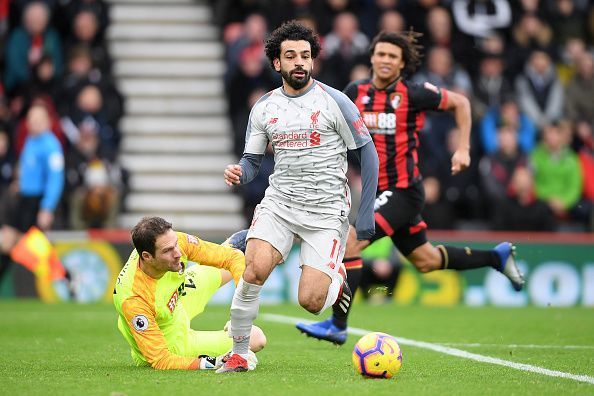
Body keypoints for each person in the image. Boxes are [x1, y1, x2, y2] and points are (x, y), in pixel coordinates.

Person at [225, 30, 525, 346]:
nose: (385, 60)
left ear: (402, 63)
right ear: (371, 58)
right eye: (380, 54)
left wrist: (463, 148)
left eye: (392, 56)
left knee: (351, 243)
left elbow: (461, 103)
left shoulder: (414, 93)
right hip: (374, 188)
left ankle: (338, 324)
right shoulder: (356, 92)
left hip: (403, 189)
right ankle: (496, 257)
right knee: (426, 261)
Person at [219, 20, 379, 372]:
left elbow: (368, 154)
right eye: (290, 56)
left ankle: (336, 280)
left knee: (310, 302)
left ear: (313, 60)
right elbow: (252, 161)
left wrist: (364, 215)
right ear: (276, 63)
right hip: (280, 202)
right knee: (253, 270)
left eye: (305, 56)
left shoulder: (335, 101)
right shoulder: (264, 107)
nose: (299, 63)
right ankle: (240, 352)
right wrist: (240, 172)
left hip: (326, 211)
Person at [112, 216, 266, 370]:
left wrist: (241, 312)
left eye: (176, 244)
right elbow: (161, 360)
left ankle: (231, 245)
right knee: (256, 339)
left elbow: (232, 258)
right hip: (172, 340)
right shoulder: (134, 300)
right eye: (168, 251)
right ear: (147, 256)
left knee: (239, 254)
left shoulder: (172, 242)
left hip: (178, 297)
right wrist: (216, 361)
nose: (178, 253)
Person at [0, 103, 64, 284]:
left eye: (38, 119)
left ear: (47, 122)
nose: (34, 123)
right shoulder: (29, 140)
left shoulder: (51, 146)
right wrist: (20, 183)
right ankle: (62, 278)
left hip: (37, 202)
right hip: (23, 199)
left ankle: (63, 277)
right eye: (31, 119)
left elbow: (55, 179)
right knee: (10, 241)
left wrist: (47, 208)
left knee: (25, 244)